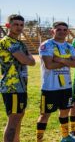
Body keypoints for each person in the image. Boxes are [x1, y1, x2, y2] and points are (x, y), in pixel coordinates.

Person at [36, 21, 75, 142]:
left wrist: (60, 59)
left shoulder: (69, 46)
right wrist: (67, 61)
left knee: (65, 112)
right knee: (45, 114)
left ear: (67, 32)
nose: (62, 32)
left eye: (64, 30)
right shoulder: (47, 45)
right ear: (53, 31)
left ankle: (65, 137)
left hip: (66, 86)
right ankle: (39, 140)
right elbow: (49, 65)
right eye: (59, 29)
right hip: (50, 87)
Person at [0, 14, 36, 142]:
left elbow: (32, 61)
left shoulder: (20, 43)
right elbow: (26, 60)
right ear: (8, 25)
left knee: (20, 115)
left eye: (21, 25)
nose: (19, 27)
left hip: (21, 86)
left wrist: (28, 59)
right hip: (12, 86)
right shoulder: (7, 41)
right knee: (13, 119)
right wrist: (27, 59)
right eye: (15, 24)